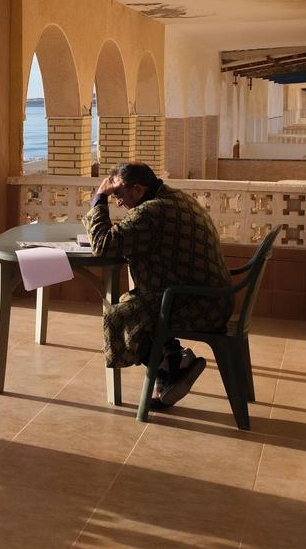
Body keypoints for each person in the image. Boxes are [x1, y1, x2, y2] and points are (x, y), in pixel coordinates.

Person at [81, 161, 232, 409]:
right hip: (213, 296)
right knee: (139, 303)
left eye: (118, 194)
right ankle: (174, 365)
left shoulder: (150, 212)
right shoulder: (175, 197)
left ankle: (171, 368)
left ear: (139, 190)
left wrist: (99, 198)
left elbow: (103, 245)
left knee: (120, 315)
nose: (117, 201)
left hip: (197, 304)